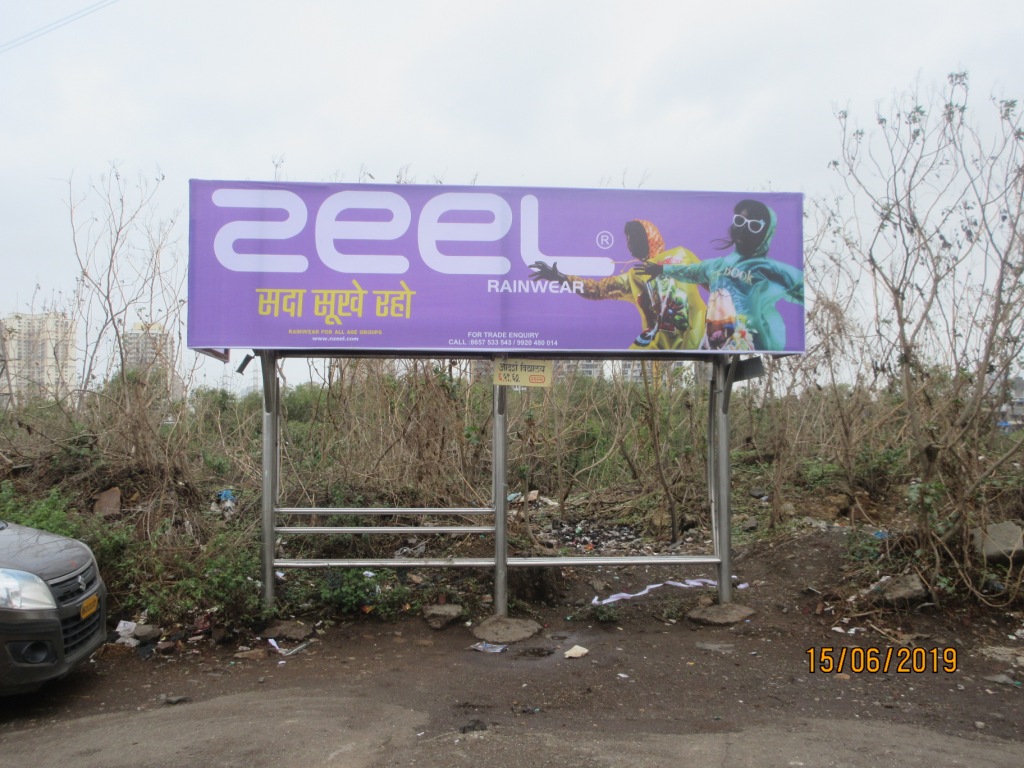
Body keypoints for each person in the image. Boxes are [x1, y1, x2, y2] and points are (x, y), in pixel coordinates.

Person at [639, 199, 803, 351]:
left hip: (750, 342)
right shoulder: (716, 265)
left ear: (765, 233)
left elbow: (801, 289)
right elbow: (690, 271)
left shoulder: (770, 269)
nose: (743, 228)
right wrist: (662, 270)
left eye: (754, 226)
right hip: (714, 341)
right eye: (740, 221)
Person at [528, 219, 706, 350]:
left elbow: (714, 282)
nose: (628, 244)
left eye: (633, 238)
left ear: (648, 237)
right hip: (661, 349)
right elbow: (596, 289)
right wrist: (561, 278)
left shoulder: (682, 255)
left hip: (700, 340)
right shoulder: (634, 276)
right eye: (627, 239)